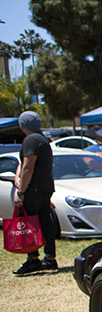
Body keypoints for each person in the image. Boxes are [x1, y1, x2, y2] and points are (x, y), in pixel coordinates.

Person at [11, 111, 58, 275]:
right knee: (45, 222)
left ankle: (33, 259)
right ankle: (50, 258)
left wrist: (21, 191)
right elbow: (23, 164)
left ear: (22, 125)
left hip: (34, 189)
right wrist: (18, 176)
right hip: (44, 187)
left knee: (29, 223)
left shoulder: (31, 140)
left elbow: (28, 166)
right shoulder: (42, 139)